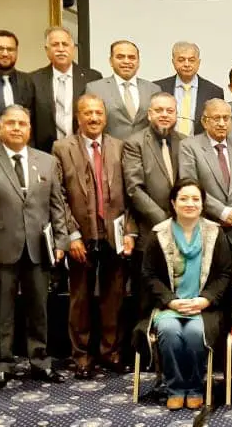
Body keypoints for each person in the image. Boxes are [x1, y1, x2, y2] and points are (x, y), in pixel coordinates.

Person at [0, 105, 69, 389]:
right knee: (3, 308)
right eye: (10, 123)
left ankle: (40, 362)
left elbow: (56, 205)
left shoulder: (46, 161)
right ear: (0, 128)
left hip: (39, 247)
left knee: (39, 307)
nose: (16, 128)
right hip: (1, 248)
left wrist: (61, 240)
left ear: (29, 128)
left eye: (22, 123)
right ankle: (3, 363)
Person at [51, 94, 137, 378]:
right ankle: (82, 356)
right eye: (87, 113)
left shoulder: (120, 147)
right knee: (80, 299)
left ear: (105, 116)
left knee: (114, 298)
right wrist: (71, 235)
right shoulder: (62, 148)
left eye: (98, 113)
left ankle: (110, 352)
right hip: (80, 234)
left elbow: (130, 194)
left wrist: (129, 232)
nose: (94, 118)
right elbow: (58, 196)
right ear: (78, 117)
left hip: (114, 234)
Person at [140, 178, 232, 410]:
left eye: (195, 199)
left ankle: (194, 387)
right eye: (183, 198)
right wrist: (171, 302)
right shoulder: (158, 234)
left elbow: (224, 274)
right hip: (169, 306)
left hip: (204, 307)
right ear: (173, 203)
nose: (189, 203)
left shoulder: (215, 233)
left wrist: (205, 299)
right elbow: (149, 275)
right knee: (170, 331)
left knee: (193, 332)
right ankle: (175, 388)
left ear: (202, 204)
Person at [178, 99, 232, 242]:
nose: (222, 123)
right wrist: (222, 212)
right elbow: (189, 186)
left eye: (226, 118)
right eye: (216, 118)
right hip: (204, 228)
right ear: (205, 122)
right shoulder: (189, 146)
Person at [123, 92, 184, 250]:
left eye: (170, 111)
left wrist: (182, 219)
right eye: (159, 110)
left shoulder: (185, 142)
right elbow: (134, 189)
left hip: (185, 228)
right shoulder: (134, 143)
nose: (164, 115)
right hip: (150, 229)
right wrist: (165, 221)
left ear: (176, 115)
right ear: (149, 114)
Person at [29, 26, 103, 152]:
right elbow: (29, 121)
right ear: (47, 50)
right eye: (55, 45)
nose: (61, 49)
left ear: (73, 48)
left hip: (84, 152)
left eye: (65, 44)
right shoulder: (33, 80)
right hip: (45, 152)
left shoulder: (92, 77)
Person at [85, 40, 161, 141]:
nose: (126, 61)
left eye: (131, 57)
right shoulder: (95, 89)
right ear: (111, 61)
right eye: (120, 57)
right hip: (110, 152)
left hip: (144, 152)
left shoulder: (153, 89)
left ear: (138, 62)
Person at [154, 41, 223, 136]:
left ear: (198, 62)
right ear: (173, 62)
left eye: (191, 60)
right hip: (165, 144)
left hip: (200, 148)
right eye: (181, 60)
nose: (186, 64)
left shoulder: (214, 92)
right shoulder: (157, 88)